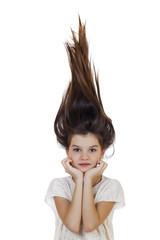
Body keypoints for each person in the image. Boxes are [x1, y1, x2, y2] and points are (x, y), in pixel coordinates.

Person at [45, 15, 125, 240]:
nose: (84, 157)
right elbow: (72, 224)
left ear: (103, 150)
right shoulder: (59, 186)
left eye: (92, 149)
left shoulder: (110, 188)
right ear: (67, 151)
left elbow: (89, 225)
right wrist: (79, 179)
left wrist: (88, 179)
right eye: (77, 149)